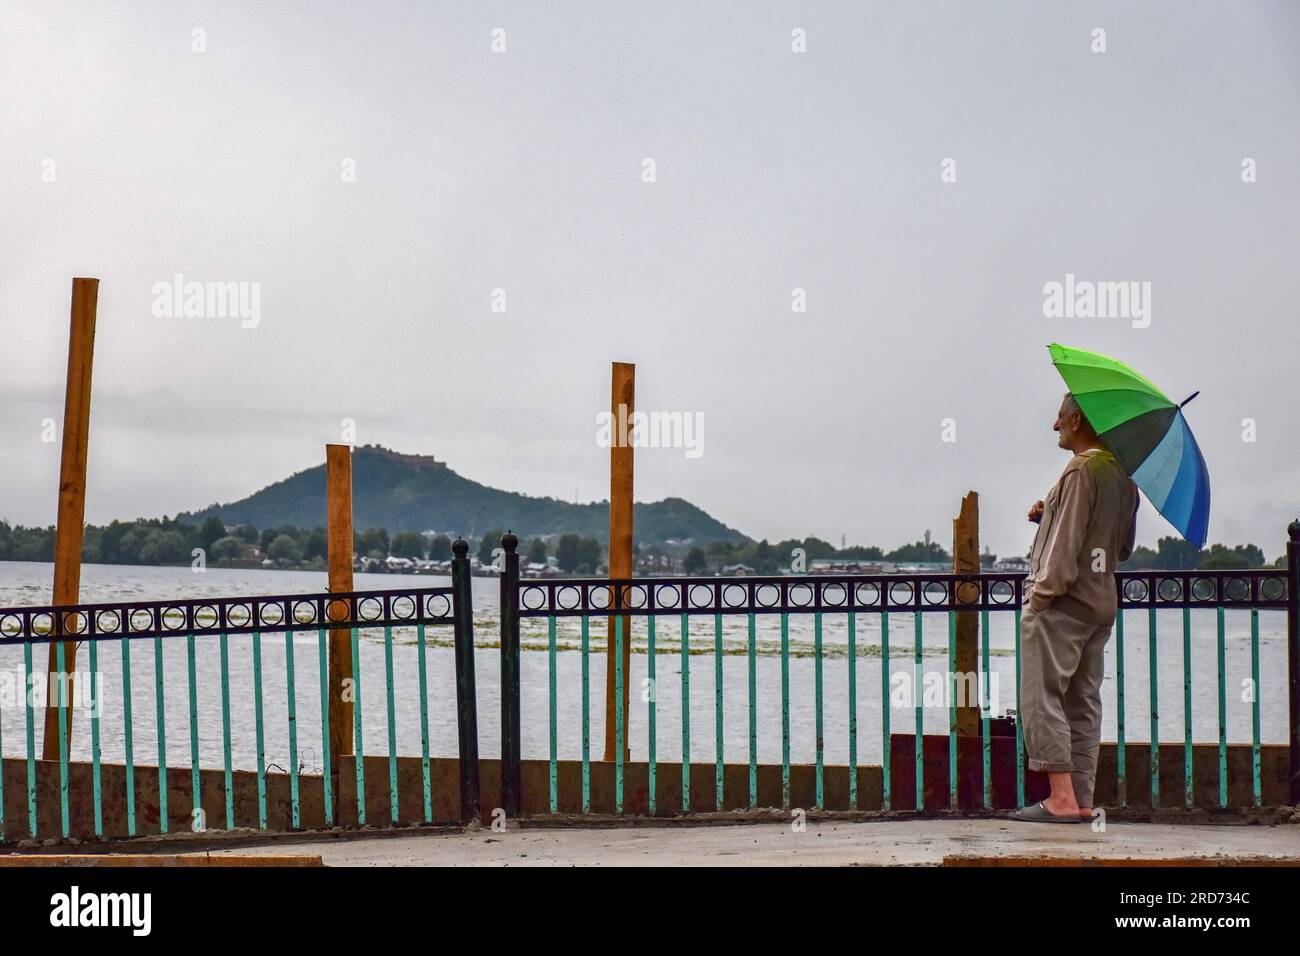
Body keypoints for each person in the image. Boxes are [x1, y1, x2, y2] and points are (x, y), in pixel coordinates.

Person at [1011, 392, 1138, 823]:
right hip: (1099, 606)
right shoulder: (1123, 475)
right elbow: (1120, 545)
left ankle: (1060, 799)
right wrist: (1049, 515)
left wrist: (1039, 597)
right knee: (1083, 701)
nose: (1055, 425)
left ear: (1079, 419)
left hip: (1063, 606)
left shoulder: (1081, 469)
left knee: (1042, 697)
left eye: (1061, 418)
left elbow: (1063, 552)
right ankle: (1081, 801)